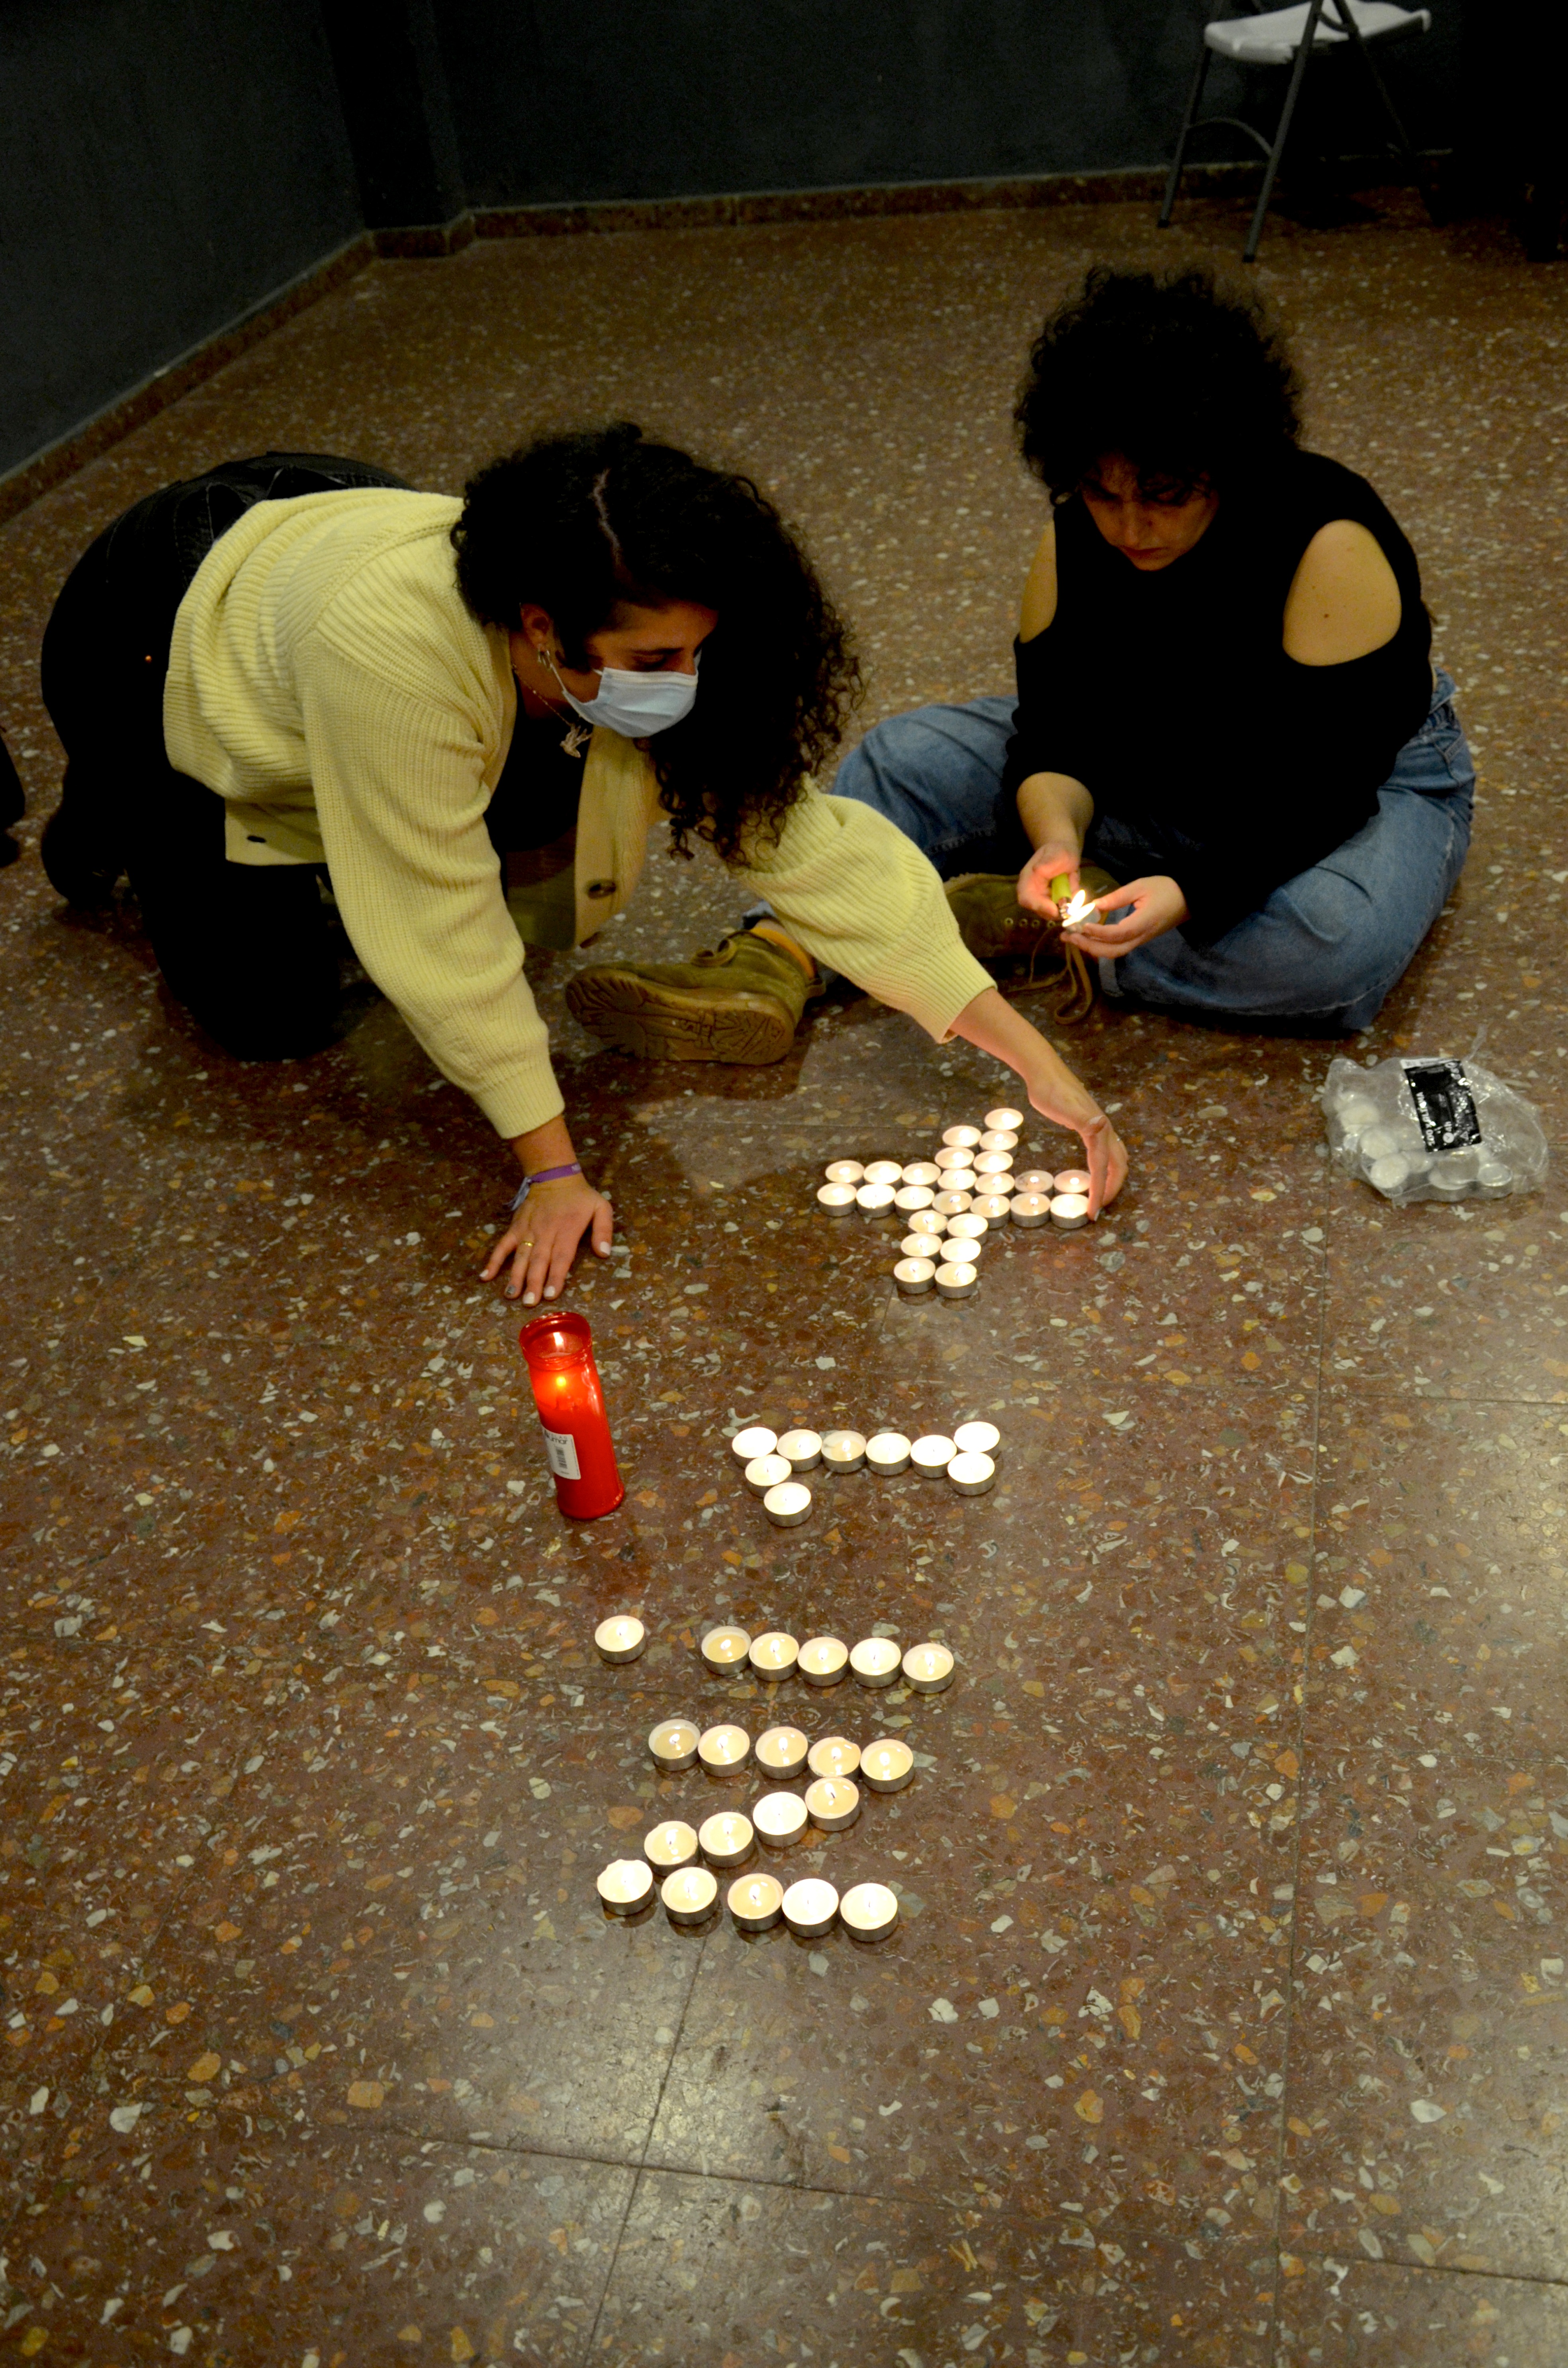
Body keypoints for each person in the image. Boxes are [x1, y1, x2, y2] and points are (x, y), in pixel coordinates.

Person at [39, 425, 1126, 1309]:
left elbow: (802, 844)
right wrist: (551, 1170)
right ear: (539, 621)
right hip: (155, 622)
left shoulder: (600, 606)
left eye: (698, 649)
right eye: (656, 661)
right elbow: (437, 925)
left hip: (325, 513)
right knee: (271, 1013)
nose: (686, 679)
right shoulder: (393, 662)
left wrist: (1025, 1056)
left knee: (514, 799)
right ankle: (107, 822)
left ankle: (347, 802)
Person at [734, 267, 1471, 1035]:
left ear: (1226, 467)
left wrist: (1193, 890)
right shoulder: (1075, 531)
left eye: (1163, 497)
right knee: (901, 760)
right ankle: (779, 950)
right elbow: (1057, 731)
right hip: (1158, 760)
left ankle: (1033, 938)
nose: (1128, 530)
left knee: (1328, 950)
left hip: (1346, 784)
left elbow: (1321, 788)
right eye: (1101, 493)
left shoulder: (1327, 538)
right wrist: (1055, 836)